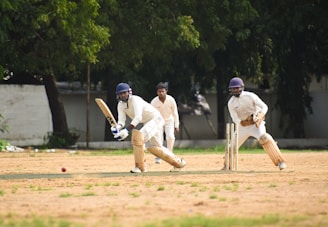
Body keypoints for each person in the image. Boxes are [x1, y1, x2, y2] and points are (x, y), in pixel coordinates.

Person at [111, 82, 186, 173]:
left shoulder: (135, 100)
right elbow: (121, 121)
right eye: (120, 94)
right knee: (157, 148)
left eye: (124, 93)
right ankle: (178, 163)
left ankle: (140, 167)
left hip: (156, 118)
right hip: (148, 122)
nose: (122, 95)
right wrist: (118, 128)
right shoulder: (120, 105)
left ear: (129, 92)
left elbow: (138, 117)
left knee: (139, 138)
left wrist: (127, 130)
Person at [227, 77, 287, 170]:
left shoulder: (250, 96)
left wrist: (261, 115)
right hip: (242, 127)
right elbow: (235, 119)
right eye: (233, 88)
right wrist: (243, 122)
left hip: (256, 125)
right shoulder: (231, 103)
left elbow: (264, 106)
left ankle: (280, 162)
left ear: (241, 87)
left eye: (237, 88)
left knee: (264, 138)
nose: (235, 90)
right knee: (231, 146)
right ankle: (227, 165)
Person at [151, 82, 180, 164]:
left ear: (166, 91)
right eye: (159, 91)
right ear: (157, 92)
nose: (161, 93)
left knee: (170, 137)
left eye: (162, 91)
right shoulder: (154, 102)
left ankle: (169, 154)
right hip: (158, 122)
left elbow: (175, 112)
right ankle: (158, 156)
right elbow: (151, 114)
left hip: (169, 121)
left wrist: (176, 125)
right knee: (158, 139)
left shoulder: (171, 100)